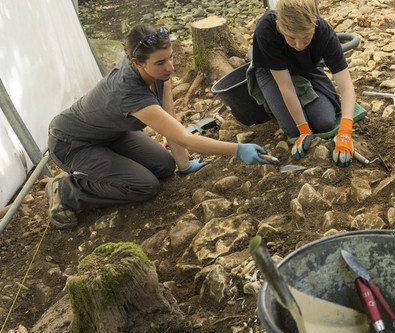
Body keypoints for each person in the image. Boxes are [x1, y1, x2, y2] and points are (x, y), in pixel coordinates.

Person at [46, 24, 272, 229]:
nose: (170, 67)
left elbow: (168, 115)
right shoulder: (129, 92)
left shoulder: (152, 65)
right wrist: (238, 149)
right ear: (137, 63)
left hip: (111, 134)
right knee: (144, 186)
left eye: (170, 58)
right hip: (72, 144)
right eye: (161, 63)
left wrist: (184, 165)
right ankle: (65, 191)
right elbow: (186, 139)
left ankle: (112, 166)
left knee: (165, 165)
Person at [248, 0, 358, 166]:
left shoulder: (324, 33)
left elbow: (346, 86)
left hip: (307, 67)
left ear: (314, 23)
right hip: (272, 71)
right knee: (293, 129)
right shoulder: (267, 29)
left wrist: (345, 131)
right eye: (292, 39)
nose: (299, 45)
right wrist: (303, 129)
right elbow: (287, 87)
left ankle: (306, 92)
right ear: (279, 26)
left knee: (325, 123)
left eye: (306, 37)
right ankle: (272, 102)